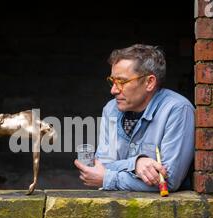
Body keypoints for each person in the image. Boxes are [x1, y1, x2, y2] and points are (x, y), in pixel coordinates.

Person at [74, 44, 194, 192]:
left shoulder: (177, 110)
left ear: (149, 82)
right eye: (112, 81)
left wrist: (107, 178)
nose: (113, 90)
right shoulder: (111, 109)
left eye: (122, 82)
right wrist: (136, 164)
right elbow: (103, 163)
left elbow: (168, 181)